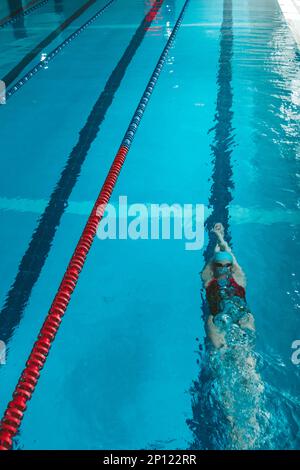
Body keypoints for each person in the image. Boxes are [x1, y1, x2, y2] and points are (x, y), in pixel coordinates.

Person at [201, 223, 255, 349]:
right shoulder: (210, 280)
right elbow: (224, 261)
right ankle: (224, 350)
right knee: (211, 322)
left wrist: (220, 239)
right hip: (222, 318)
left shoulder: (238, 279)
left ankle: (245, 356)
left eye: (226, 266)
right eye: (220, 265)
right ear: (215, 267)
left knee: (248, 319)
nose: (223, 268)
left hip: (236, 317)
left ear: (231, 268)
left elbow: (231, 259)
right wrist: (220, 243)